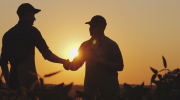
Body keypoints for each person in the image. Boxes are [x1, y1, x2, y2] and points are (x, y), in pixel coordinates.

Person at [0, 3, 69, 90]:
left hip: (13, 82)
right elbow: (47, 55)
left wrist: (9, 84)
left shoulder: (7, 35)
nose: (35, 18)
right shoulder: (31, 30)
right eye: (33, 15)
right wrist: (65, 62)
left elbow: (3, 63)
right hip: (29, 82)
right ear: (27, 14)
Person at [64, 15, 124, 97]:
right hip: (90, 92)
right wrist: (67, 65)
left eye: (93, 26)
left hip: (109, 93)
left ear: (102, 28)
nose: (90, 28)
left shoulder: (111, 45)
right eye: (90, 26)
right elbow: (76, 65)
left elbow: (120, 66)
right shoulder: (85, 45)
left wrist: (103, 64)